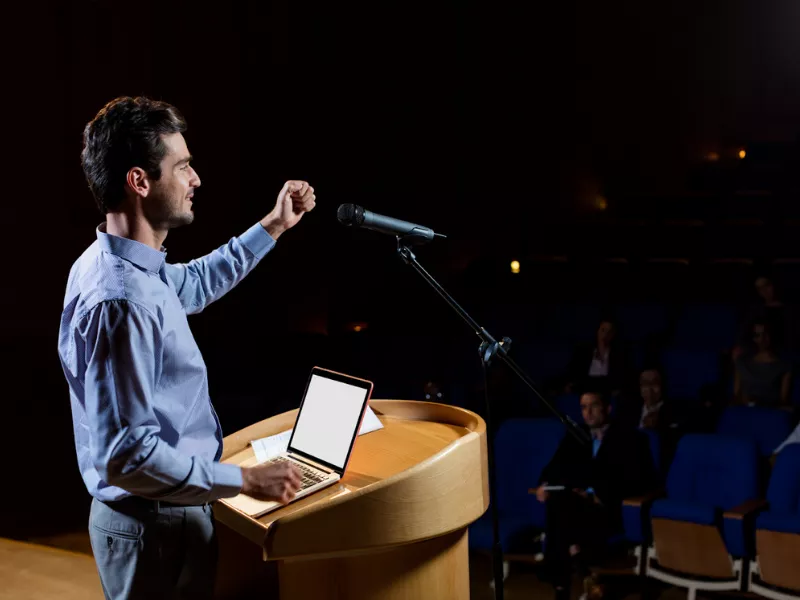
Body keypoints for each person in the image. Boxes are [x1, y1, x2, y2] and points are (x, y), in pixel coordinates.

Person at [58, 97, 316, 599]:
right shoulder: (122, 301)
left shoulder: (118, 263)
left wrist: (275, 225)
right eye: (183, 166)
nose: (195, 179)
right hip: (154, 526)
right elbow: (126, 456)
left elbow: (194, 283)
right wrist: (242, 480)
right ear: (140, 181)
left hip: (160, 517)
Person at [532, 391, 655, 600]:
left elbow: (638, 481)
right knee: (561, 502)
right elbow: (553, 468)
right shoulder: (576, 435)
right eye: (583, 407)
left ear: (607, 408)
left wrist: (597, 495)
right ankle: (576, 557)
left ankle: (561, 584)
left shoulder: (631, 438)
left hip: (608, 509)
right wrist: (544, 485)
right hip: (575, 509)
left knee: (560, 509)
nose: (587, 413)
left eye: (593, 406)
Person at [565, 318, 633, 397]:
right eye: (603, 330)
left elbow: (621, 379)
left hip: (607, 390)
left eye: (609, 332)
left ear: (613, 335)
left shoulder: (619, 355)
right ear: (598, 331)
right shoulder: (583, 352)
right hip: (586, 389)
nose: (605, 334)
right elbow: (574, 373)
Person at [734, 319, 792, 407]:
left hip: (769, 412)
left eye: (766, 334)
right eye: (757, 335)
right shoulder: (742, 362)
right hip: (744, 411)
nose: (762, 339)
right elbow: (736, 394)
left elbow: (783, 400)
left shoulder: (784, 366)